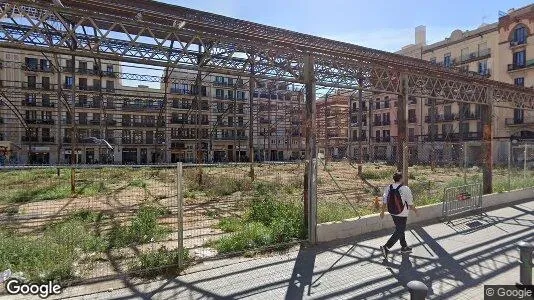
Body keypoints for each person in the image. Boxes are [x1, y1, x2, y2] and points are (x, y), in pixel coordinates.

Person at [379, 172, 418, 259]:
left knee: (400, 229)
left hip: (392, 212)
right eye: (403, 178)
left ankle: (404, 247)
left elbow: (384, 201)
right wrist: (416, 211)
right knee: (400, 231)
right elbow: (410, 204)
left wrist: (382, 212)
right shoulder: (405, 188)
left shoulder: (389, 187)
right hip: (402, 213)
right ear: (400, 179)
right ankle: (386, 247)